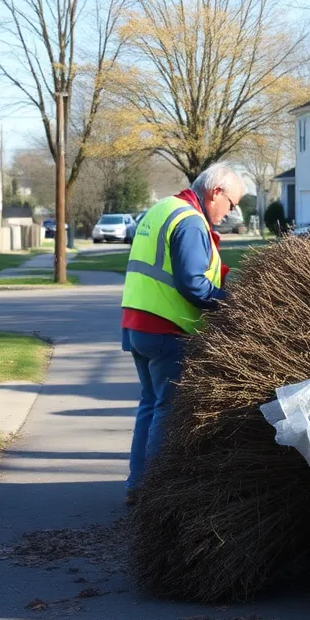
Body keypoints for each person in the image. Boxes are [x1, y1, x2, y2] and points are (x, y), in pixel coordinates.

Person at [120, 162, 243, 505]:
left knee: (149, 405)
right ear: (215, 192)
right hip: (167, 328)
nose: (232, 213)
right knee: (166, 409)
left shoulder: (163, 208)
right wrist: (233, 303)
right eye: (231, 204)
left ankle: (137, 484)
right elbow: (193, 284)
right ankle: (154, 494)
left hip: (138, 325)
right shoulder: (189, 221)